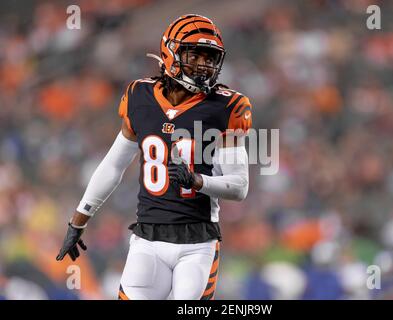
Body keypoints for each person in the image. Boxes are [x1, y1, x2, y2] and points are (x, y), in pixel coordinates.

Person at [56, 14, 253, 300]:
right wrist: (78, 221)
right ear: (170, 53)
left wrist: (198, 181)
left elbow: (239, 186)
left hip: (197, 243)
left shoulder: (226, 106)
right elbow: (114, 164)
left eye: (209, 58)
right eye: (194, 55)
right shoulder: (140, 95)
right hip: (146, 239)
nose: (203, 65)